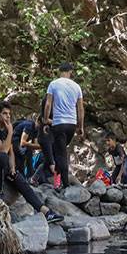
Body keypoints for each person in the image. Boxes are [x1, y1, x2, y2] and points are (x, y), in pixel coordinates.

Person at [0, 101, 64, 223]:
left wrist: (13, 169)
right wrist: (11, 131)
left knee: (22, 182)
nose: (8, 116)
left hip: (4, 167)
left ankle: (46, 212)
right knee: (2, 157)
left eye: (9, 114)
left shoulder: (5, 131)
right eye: (5, 114)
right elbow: (4, 150)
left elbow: (11, 153)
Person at [44, 62, 84, 190]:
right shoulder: (77, 87)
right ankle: (57, 179)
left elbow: (48, 104)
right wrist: (80, 126)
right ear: (70, 71)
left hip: (59, 123)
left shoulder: (53, 84)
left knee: (61, 154)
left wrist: (45, 120)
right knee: (59, 150)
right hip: (71, 124)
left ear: (59, 71)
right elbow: (81, 109)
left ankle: (65, 185)